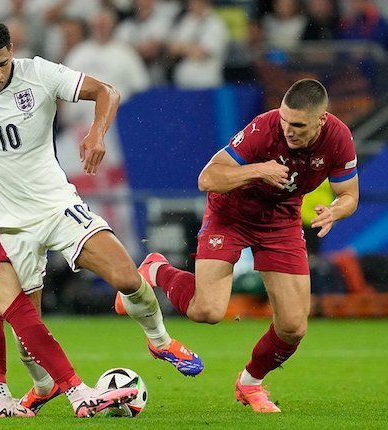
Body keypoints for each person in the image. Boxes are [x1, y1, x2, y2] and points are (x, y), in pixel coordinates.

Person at [0, 19, 202, 398]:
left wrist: (96, 133)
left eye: (3, 63)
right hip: (7, 225)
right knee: (27, 330)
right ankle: (43, 388)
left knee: (124, 276)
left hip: (56, 204)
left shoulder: (38, 72)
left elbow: (107, 92)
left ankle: (159, 340)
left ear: (11, 54)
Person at [119, 79, 359, 412]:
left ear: (321, 120)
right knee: (208, 311)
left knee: (293, 326)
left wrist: (334, 211)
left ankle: (250, 384)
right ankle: (157, 269)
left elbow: (350, 195)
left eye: (298, 125)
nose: (288, 130)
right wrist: (258, 170)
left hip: (281, 220)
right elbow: (207, 178)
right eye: (285, 121)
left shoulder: (339, 138)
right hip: (230, 213)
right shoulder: (264, 128)